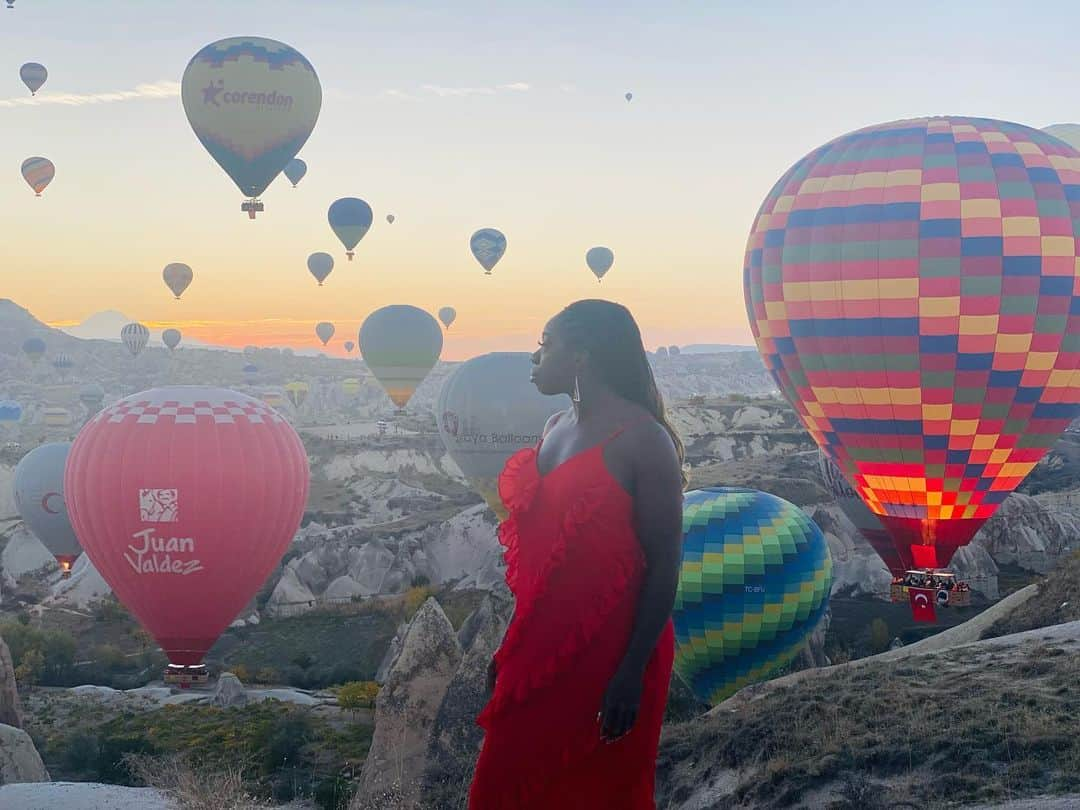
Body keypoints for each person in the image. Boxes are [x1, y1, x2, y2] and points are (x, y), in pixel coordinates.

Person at [468, 300, 684, 809]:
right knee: (499, 787)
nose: (534, 357)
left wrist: (631, 673)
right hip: (541, 644)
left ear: (582, 356)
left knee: (601, 792)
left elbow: (664, 562)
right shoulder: (553, 427)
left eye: (545, 344)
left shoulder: (644, 442)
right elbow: (542, 567)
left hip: (615, 649)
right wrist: (512, 646)